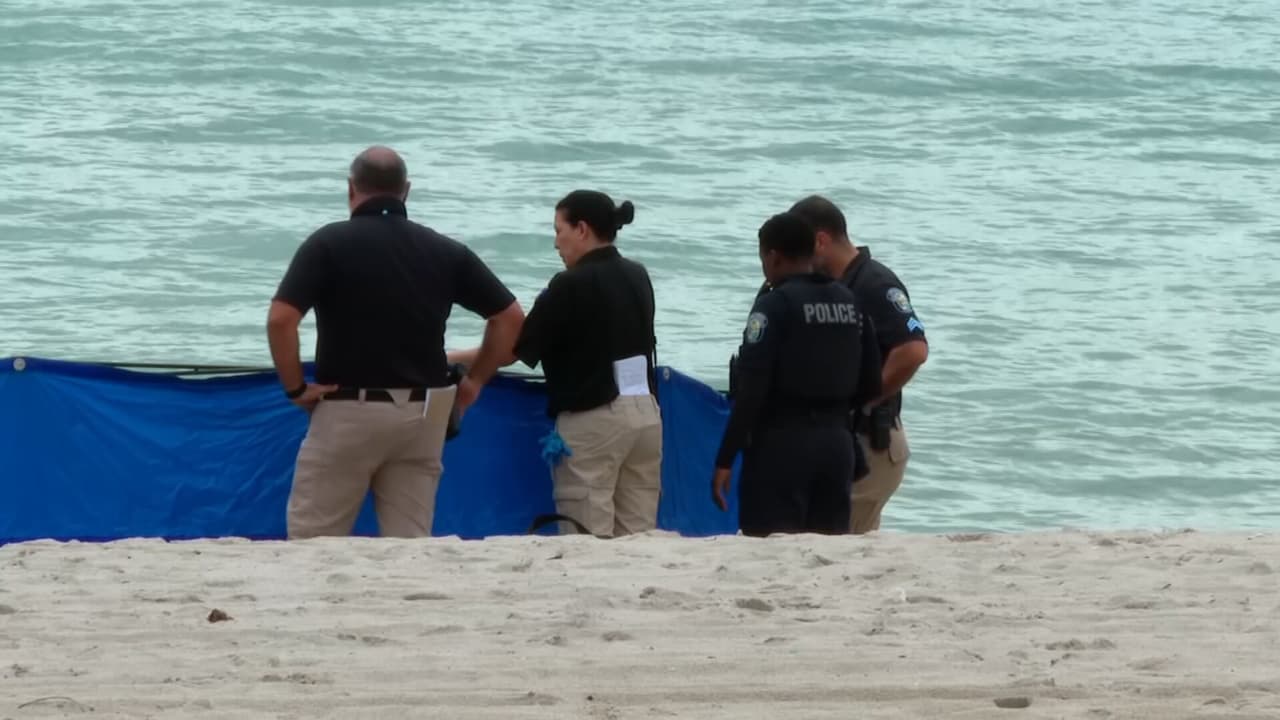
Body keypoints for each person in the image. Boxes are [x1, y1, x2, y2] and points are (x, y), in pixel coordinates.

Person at [267, 145, 524, 540]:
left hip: (348, 407)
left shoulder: (328, 244)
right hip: (424, 414)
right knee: (410, 545)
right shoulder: (445, 250)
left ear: (351, 189)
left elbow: (282, 320)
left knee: (314, 541)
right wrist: (474, 382)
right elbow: (508, 319)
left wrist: (296, 388)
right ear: (406, 190)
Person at [448, 190, 662, 538]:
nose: (555, 243)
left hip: (595, 418)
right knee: (637, 537)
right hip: (646, 414)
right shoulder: (638, 274)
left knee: (585, 534)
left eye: (558, 230)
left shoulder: (569, 284)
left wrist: (451, 357)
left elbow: (513, 350)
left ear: (581, 229)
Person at [712, 211, 882, 536]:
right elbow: (872, 382)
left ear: (773, 256)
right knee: (827, 548)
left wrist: (725, 458)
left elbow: (752, 391)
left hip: (781, 446)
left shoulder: (774, 306)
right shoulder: (852, 302)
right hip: (837, 445)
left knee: (770, 547)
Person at [790, 195, 928, 534]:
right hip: (846, 442)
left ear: (821, 240)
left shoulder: (874, 283)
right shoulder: (835, 286)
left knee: (831, 538)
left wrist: (862, 400)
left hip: (871, 441)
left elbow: (913, 350)